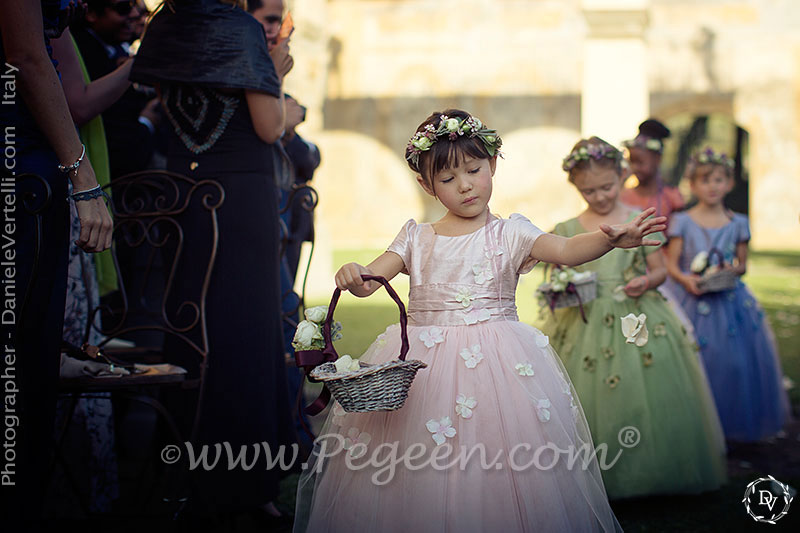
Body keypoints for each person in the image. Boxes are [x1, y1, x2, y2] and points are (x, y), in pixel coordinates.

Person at [293, 109, 672, 532]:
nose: (466, 185)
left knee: (499, 462)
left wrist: (606, 239)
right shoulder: (415, 238)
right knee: (419, 464)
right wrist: (355, 274)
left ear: (492, 164)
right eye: (449, 179)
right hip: (422, 370)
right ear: (427, 184)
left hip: (497, 367)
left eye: (474, 170)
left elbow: (565, 249)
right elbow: (369, 281)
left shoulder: (511, 233)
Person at [129, 0, 296, 523]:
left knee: (191, 330)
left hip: (183, 194)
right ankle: (246, 488)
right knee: (247, 334)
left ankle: (182, 475)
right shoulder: (242, 29)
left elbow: (161, 102)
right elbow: (269, 127)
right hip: (240, 199)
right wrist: (278, 71)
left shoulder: (168, 22)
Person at [536, 137, 727, 500]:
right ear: (575, 186)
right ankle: (594, 476)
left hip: (636, 318)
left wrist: (646, 280)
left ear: (622, 176)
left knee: (645, 396)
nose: (600, 196)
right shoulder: (565, 228)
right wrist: (564, 288)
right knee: (585, 399)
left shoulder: (638, 221)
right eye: (588, 190)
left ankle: (650, 472)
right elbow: (558, 274)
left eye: (606, 186)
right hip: (584, 320)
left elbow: (659, 271)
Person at [0, 0, 113, 529]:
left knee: (34, 361)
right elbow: (26, 54)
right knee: (19, 363)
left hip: (35, 156)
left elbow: (49, 47)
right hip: (21, 162)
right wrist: (83, 178)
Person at [664, 148, 790, 442]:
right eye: (705, 180)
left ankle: (729, 425)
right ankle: (697, 428)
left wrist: (729, 270)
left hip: (730, 304)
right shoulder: (682, 220)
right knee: (698, 361)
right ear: (693, 185)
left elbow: (743, 264)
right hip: (690, 299)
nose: (713, 186)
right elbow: (672, 263)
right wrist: (687, 279)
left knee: (734, 364)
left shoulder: (739, 223)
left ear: (729, 183)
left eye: (719, 180)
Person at [621, 118, 684, 226]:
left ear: (658, 159)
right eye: (631, 162)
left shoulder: (672, 198)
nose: (634, 167)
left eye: (640, 162)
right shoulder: (623, 197)